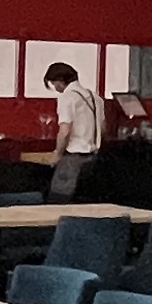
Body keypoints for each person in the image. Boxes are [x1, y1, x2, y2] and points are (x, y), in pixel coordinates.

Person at [42, 60, 104, 201]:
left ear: (59, 81)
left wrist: (57, 153)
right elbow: (103, 127)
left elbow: (65, 130)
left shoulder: (67, 97)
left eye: (53, 84)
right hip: (93, 158)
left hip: (72, 159)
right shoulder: (96, 98)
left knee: (59, 200)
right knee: (83, 201)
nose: (55, 88)